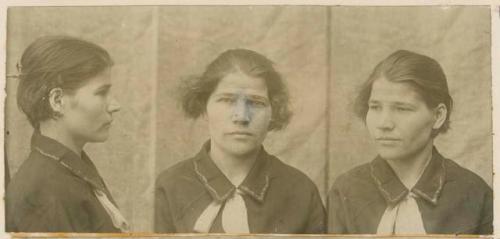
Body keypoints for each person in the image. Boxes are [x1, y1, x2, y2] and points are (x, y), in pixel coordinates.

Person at [155, 49, 326, 233]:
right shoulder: (171, 186)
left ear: (273, 112)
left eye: (256, 102)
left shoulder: (300, 191)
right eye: (227, 100)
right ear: (204, 108)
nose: (242, 116)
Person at [327, 50, 493, 234]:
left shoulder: (474, 194)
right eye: (375, 107)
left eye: (402, 109)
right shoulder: (346, 191)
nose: (384, 124)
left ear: (438, 116)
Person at [6, 36, 129, 232]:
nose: (115, 105)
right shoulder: (45, 190)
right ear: (57, 100)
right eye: (101, 93)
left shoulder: (67, 172)